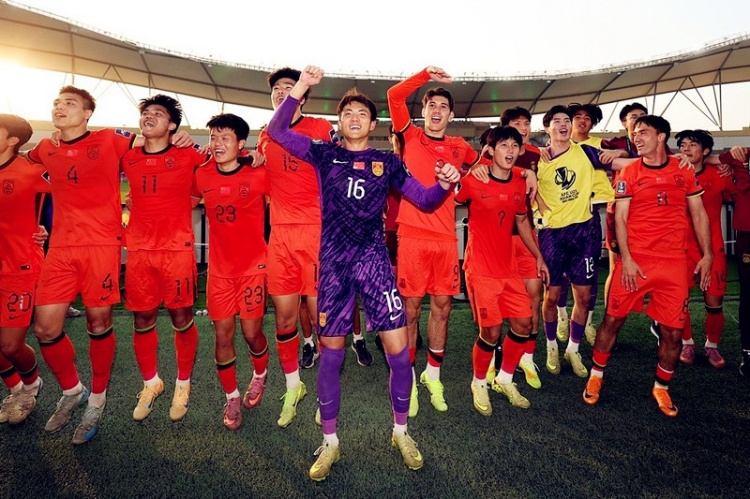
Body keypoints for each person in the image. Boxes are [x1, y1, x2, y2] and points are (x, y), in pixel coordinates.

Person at [267, 65, 460, 481]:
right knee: (331, 355)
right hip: (334, 266)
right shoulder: (323, 153)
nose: (354, 118)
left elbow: (426, 200)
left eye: (362, 114)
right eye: (347, 113)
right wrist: (301, 87)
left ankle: (401, 431)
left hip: (374, 264)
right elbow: (277, 130)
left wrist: (446, 183)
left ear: (373, 125)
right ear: (339, 122)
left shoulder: (387, 162)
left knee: (399, 351)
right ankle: (330, 441)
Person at [258, 68, 371, 426]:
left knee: (324, 317)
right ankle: (293, 386)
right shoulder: (265, 136)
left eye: (289, 88)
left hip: (317, 234)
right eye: (277, 89)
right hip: (280, 236)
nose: (282, 92)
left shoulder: (321, 128)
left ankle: (326, 391)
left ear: (303, 97)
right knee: (285, 317)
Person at [26, 86, 137, 444]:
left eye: (70, 103)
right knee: (45, 329)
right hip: (60, 248)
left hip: (101, 246)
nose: (59, 107)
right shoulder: (46, 148)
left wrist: (180, 138)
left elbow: (153, 147)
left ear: (88, 113)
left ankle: (97, 400)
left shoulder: (110, 139)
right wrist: (32, 226)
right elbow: (21, 173)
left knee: (98, 322)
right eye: (56, 103)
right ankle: (72, 390)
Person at [582, 115, 712, 417]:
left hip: (673, 264)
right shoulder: (630, 171)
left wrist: (707, 255)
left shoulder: (683, 169)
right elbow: (620, 217)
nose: (636, 138)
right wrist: (626, 258)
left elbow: (699, 213)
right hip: (636, 262)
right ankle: (596, 375)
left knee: (673, 332)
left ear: (661, 136)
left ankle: (661, 387)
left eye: (643, 133)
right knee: (612, 320)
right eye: (634, 133)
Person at [387, 66, 479, 415]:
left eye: (443, 106)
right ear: (423, 111)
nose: (437, 110)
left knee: (442, 308)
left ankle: (433, 375)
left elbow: (483, 169)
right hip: (412, 235)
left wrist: (521, 174)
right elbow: (395, 96)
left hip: (445, 238)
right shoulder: (410, 136)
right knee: (410, 309)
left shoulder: (460, 146)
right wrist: (425, 74)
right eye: (432, 105)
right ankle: (409, 378)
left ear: (451, 115)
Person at [121, 95, 208, 423]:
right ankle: (151, 383)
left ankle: (183, 384)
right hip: (139, 252)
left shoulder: (188, 154)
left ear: (172, 125)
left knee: (181, 317)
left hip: (176, 251)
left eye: (158, 113)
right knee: (142, 319)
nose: (149, 116)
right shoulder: (128, 157)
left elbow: (215, 165)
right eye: (146, 112)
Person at [456, 125, 549, 415]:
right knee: (491, 331)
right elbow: (447, 201)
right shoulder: (474, 180)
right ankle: (478, 383)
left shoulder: (520, 183)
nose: (510, 150)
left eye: (514, 146)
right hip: (481, 269)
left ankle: (505, 379)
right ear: (491, 150)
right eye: (503, 145)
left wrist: (538, 256)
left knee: (524, 323)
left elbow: (521, 221)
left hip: (509, 269)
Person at [192, 113, 268, 430]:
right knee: (222, 335)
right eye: (214, 137)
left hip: (253, 269)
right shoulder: (201, 174)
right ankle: (232, 396)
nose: (217, 143)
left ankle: (260, 373)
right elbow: (181, 202)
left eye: (225, 138)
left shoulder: (259, 174)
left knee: (251, 334)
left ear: (241, 144)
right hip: (220, 273)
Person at [536, 105, 615, 379]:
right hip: (551, 235)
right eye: (557, 120)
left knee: (583, 296)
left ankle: (573, 348)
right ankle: (551, 346)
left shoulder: (585, 152)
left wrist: (663, 157)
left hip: (583, 233)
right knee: (552, 296)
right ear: (547, 128)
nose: (563, 124)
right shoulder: (536, 159)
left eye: (566, 120)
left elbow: (620, 162)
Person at [668, 130, 735, 368]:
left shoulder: (719, 174)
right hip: (679, 249)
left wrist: (728, 164)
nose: (686, 148)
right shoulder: (671, 173)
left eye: (693, 144)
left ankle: (712, 346)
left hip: (712, 248)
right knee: (680, 301)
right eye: (682, 144)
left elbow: (739, 192)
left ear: (705, 151)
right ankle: (687, 343)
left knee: (714, 304)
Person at [0, 114, 50, 425]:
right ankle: (16, 390)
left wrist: (46, 230)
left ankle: (31, 386)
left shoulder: (31, 170)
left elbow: (75, 195)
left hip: (19, 268)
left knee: (10, 345)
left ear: (13, 140)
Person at [707, 145, 750, 376]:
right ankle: (748, 352)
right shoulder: (742, 153)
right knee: (748, 294)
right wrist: (728, 162)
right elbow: (707, 158)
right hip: (747, 234)